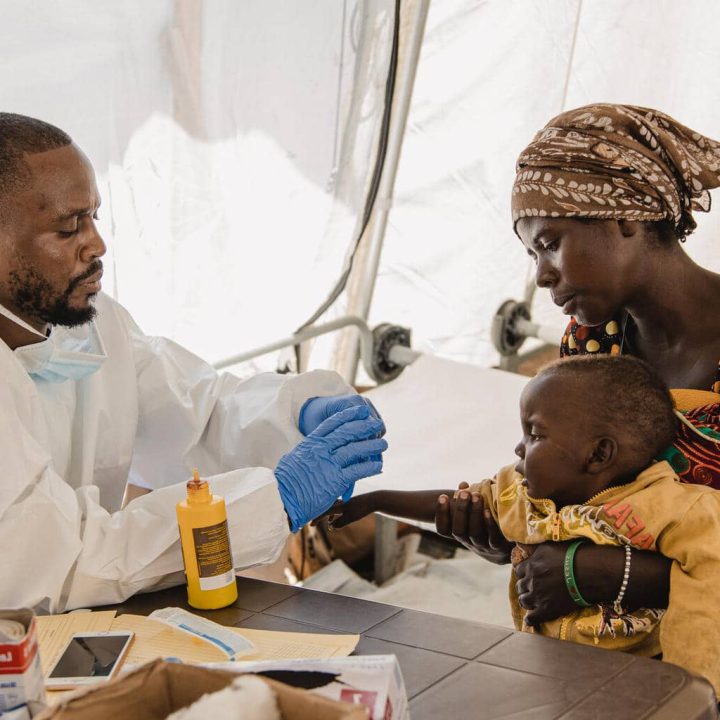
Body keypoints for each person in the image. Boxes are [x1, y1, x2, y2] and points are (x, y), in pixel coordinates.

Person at [0, 113, 387, 613]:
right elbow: (68, 558)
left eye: (95, 216)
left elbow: (193, 410)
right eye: (70, 225)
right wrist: (276, 497)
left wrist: (295, 416)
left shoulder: (86, 324)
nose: (97, 244)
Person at [441, 103, 720, 628]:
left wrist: (628, 575)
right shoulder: (593, 344)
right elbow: (587, 501)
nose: (543, 278)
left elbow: (608, 563)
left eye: (549, 244)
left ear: (625, 218)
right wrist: (518, 536)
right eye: (532, 256)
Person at [323, 355, 720, 694]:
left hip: (639, 681)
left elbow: (707, 596)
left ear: (598, 454)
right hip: (548, 668)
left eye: (534, 434)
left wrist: (690, 692)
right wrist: (375, 500)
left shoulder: (677, 510)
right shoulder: (524, 493)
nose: (518, 449)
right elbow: (466, 501)